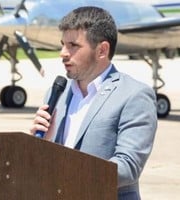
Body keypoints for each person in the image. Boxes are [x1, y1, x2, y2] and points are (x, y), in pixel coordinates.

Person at [30, 6, 157, 200]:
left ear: (102, 50)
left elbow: (128, 167)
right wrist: (38, 144)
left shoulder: (134, 95)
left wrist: (66, 173)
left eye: (73, 45)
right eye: (63, 44)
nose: (63, 53)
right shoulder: (58, 93)